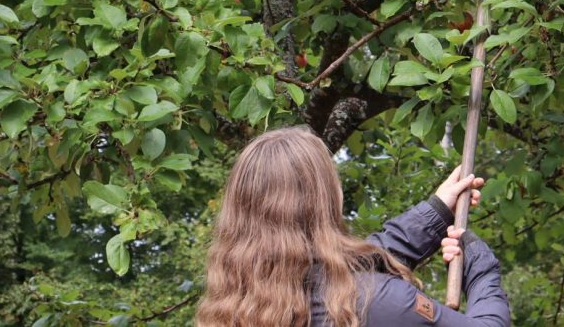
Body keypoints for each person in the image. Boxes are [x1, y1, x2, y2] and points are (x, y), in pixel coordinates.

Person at [196, 126, 510, 326]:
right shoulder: (374, 304)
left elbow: (340, 266)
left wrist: (437, 212)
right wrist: (480, 266)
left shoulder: (238, 303)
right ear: (325, 200)